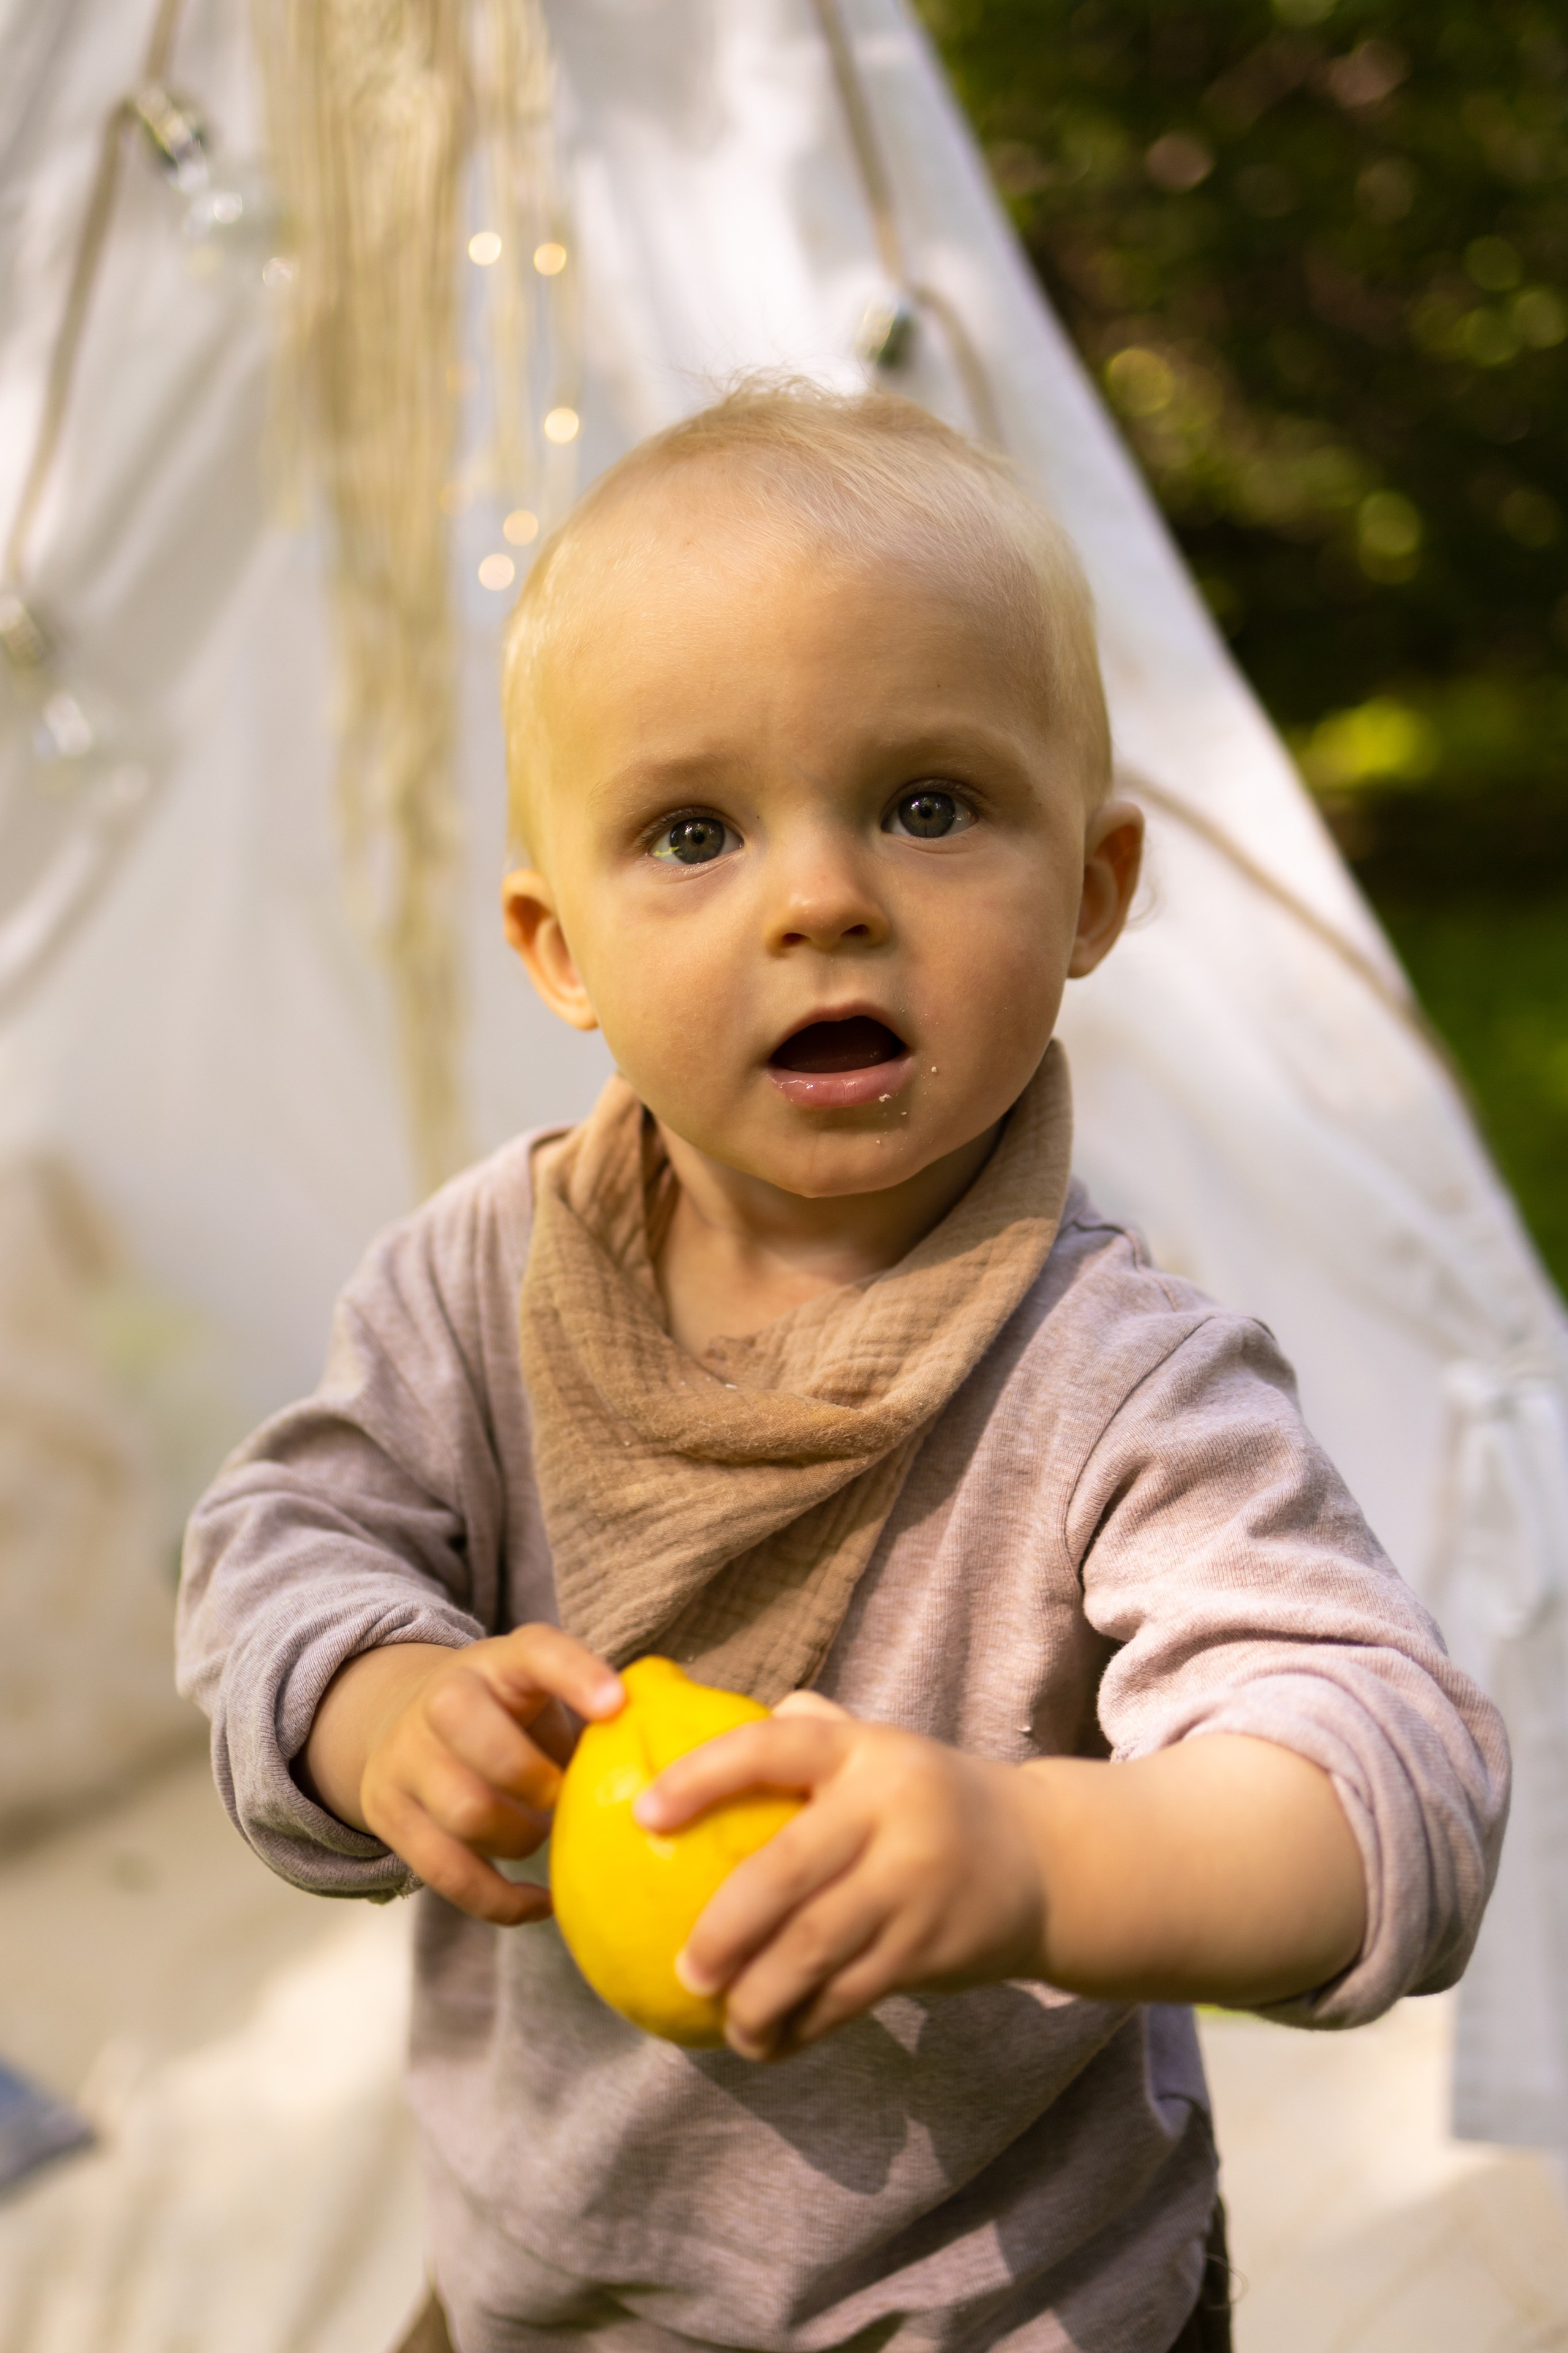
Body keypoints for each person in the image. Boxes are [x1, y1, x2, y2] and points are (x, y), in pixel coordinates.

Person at [177, 384, 1508, 2353]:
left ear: (1092, 890)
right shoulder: (475, 1283)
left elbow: (1389, 1784)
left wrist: (1031, 1854)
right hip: (547, 2273)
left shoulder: (1117, 1382)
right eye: (695, 832)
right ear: (563, 949)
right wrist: (381, 1707)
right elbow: (275, 1541)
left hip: (1002, 2303)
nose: (823, 897)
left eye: (929, 803)